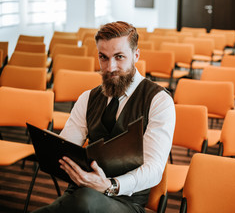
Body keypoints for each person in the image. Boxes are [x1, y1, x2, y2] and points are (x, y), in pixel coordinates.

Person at [33, 21, 175, 213]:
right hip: (80, 193)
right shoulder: (88, 98)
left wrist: (110, 185)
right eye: (104, 57)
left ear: (136, 55)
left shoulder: (158, 101)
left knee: (83, 202)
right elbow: (67, 147)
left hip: (126, 202)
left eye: (119, 57)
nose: (110, 67)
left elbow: (154, 169)